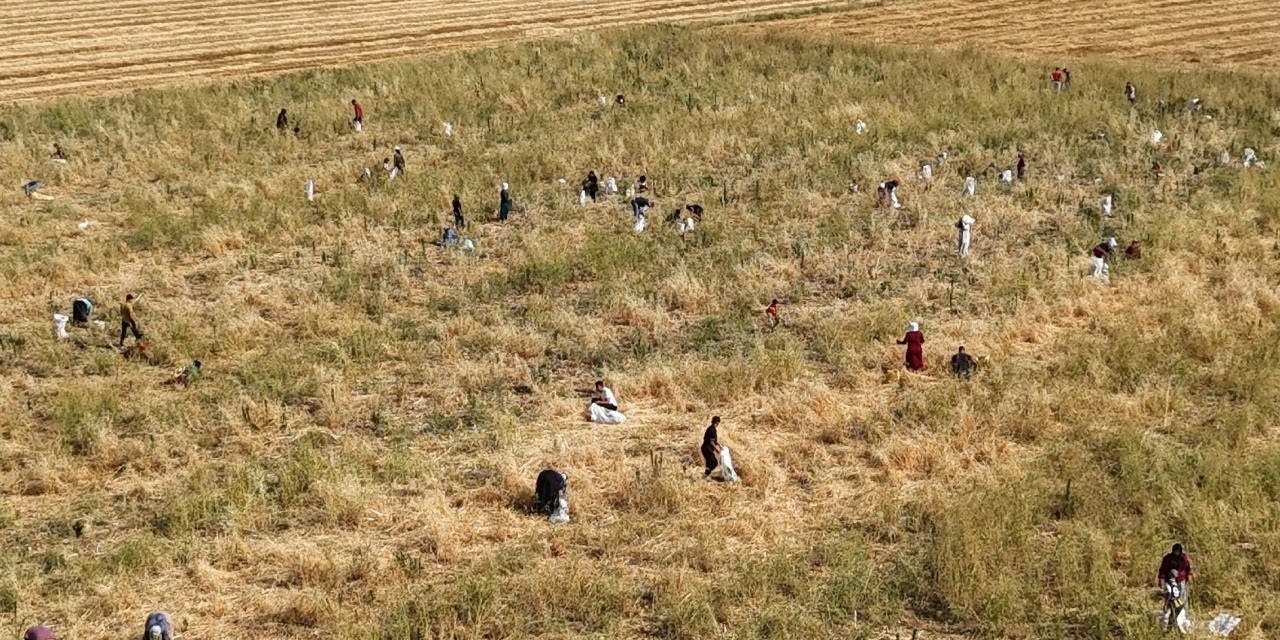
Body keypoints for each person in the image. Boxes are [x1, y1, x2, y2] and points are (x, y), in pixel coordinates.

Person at [1158, 544, 1193, 612]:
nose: (1176, 552)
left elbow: (1188, 568)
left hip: (1181, 580)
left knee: (1182, 596)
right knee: (1171, 595)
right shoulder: (1168, 558)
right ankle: (1169, 610)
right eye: (1175, 551)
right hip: (1170, 580)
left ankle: (1184, 613)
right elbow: (1162, 569)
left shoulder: (1184, 558)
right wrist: (1161, 579)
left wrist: (1189, 575)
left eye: (1178, 551)